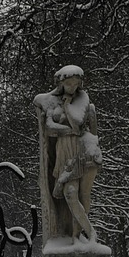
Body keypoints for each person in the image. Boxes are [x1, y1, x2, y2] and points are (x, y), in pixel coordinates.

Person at [34, 65, 102, 244]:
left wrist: (66, 105)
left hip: (82, 152)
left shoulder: (82, 99)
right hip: (64, 151)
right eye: (68, 83)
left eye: (75, 84)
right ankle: (89, 232)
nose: (72, 87)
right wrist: (68, 130)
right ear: (61, 83)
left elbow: (78, 124)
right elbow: (49, 128)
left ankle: (79, 235)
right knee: (70, 193)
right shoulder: (51, 102)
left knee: (82, 195)